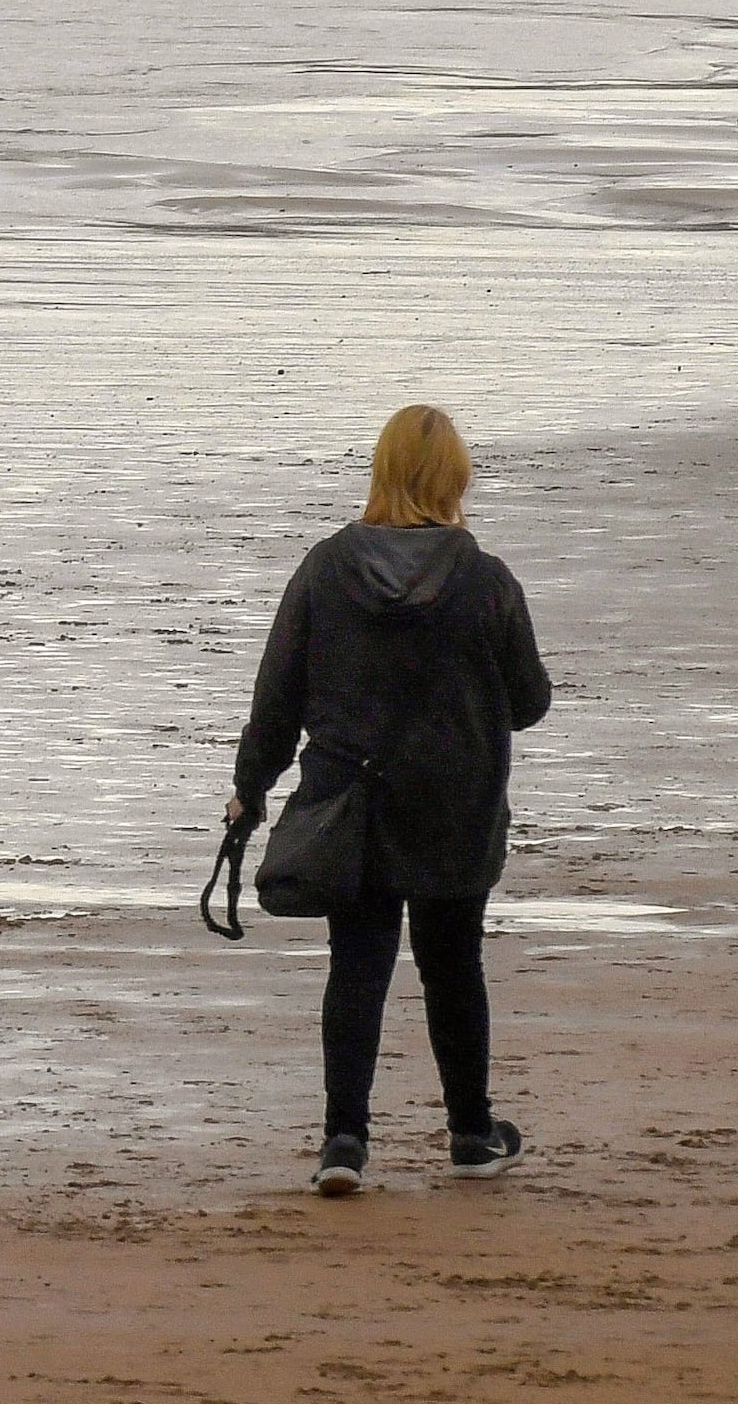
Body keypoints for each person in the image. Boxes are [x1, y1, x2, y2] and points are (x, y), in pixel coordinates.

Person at [229, 403, 553, 1197]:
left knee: (358, 965)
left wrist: (249, 790)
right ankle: (472, 1132)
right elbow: (530, 699)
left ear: (380, 470)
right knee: (453, 965)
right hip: (456, 803)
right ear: (454, 479)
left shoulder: (325, 567)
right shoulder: (485, 579)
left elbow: (278, 696)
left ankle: (344, 1140)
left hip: (352, 802)